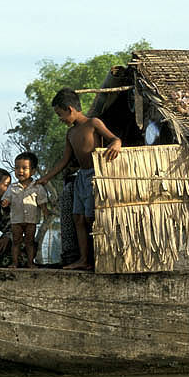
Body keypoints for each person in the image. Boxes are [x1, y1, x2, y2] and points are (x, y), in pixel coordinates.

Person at [36, 88, 121, 270]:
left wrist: (116, 143)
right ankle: (83, 259)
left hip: (95, 175)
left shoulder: (93, 123)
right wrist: (45, 178)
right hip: (81, 176)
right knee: (78, 218)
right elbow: (65, 161)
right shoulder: (71, 134)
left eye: (60, 115)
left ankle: (96, 258)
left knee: (91, 218)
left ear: (70, 109)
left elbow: (114, 138)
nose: (60, 119)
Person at [1, 152, 50, 268]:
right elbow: (6, 199)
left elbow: (42, 202)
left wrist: (45, 211)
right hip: (16, 220)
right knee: (16, 241)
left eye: (24, 168)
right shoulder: (12, 187)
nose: (20, 171)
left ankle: (30, 262)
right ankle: (15, 263)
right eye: (17, 168)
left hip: (31, 220)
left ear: (33, 171)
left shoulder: (37, 187)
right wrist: (5, 203)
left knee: (29, 242)